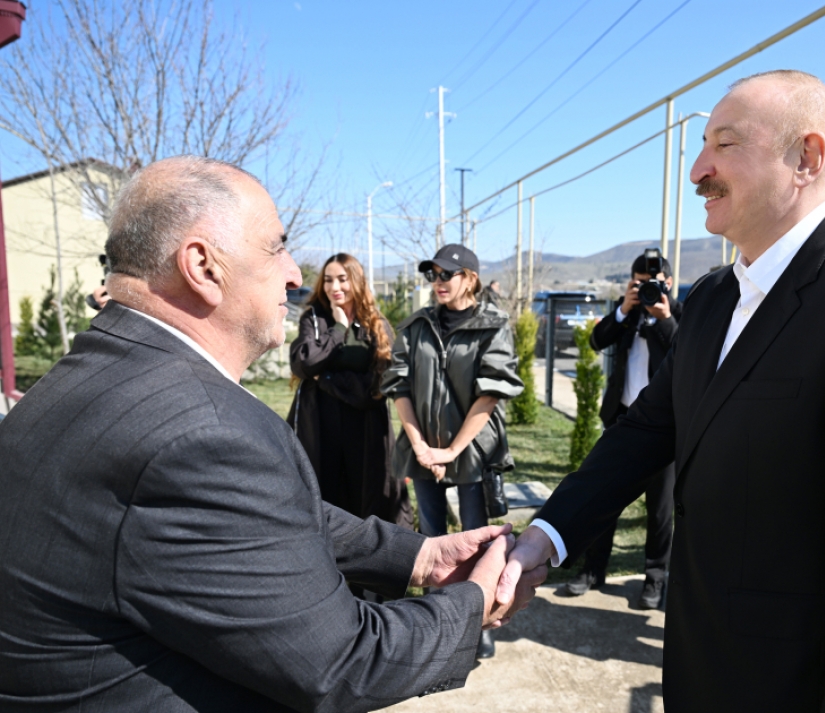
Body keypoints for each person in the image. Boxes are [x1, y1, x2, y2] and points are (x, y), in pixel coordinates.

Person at [498, 70, 825, 711]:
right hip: (697, 669)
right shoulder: (713, 298)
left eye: (725, 144)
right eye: (702, 146)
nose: (698, 170)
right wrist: (546, 535)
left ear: (806, 158)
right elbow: (645, 431)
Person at [0, 156, 545, 712]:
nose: (293, 274)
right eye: (275, 248)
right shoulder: (204, 434)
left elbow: (256, 518)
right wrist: (473, 603)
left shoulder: (78, 380)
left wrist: (419, 557)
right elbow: (341, 663)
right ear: (203, 266)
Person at [381, 243, 524, 660]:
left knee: (476, 537)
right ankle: (437, 623)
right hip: (423, 447)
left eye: (447, 274)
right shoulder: (416, 325)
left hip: (474, 449)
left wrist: (452, 451)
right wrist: (422, 447)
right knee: (431, 537)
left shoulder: (493, 325)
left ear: (470, 278)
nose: (438, 282)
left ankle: (477, 621)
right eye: (433, 275)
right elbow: (399, 387)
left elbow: (489, 395)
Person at [564, 251, 681, 610]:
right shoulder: (627, 311)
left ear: (668, 283)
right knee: (605, 497)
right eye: (639, 283)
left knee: (659, 511)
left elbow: (689, 353)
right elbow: (597, 340)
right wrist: (623, 310)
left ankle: (655, 579)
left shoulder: (679, 312)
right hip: (623, 419)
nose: (645, 289)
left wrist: (663, 319)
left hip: (665, 426)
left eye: (652, 283)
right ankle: (592, 569)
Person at [288, 252, 413, 535]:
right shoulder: (315, 319)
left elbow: (376, 387)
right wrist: (339, 329)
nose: (335, 287)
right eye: (328, 280)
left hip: (365, 427)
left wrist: (326, 378)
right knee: (325, 497)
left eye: (342, 279)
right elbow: (303, 364)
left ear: (356, 281)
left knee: (366, 498)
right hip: (320, 425)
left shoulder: (376, 324)